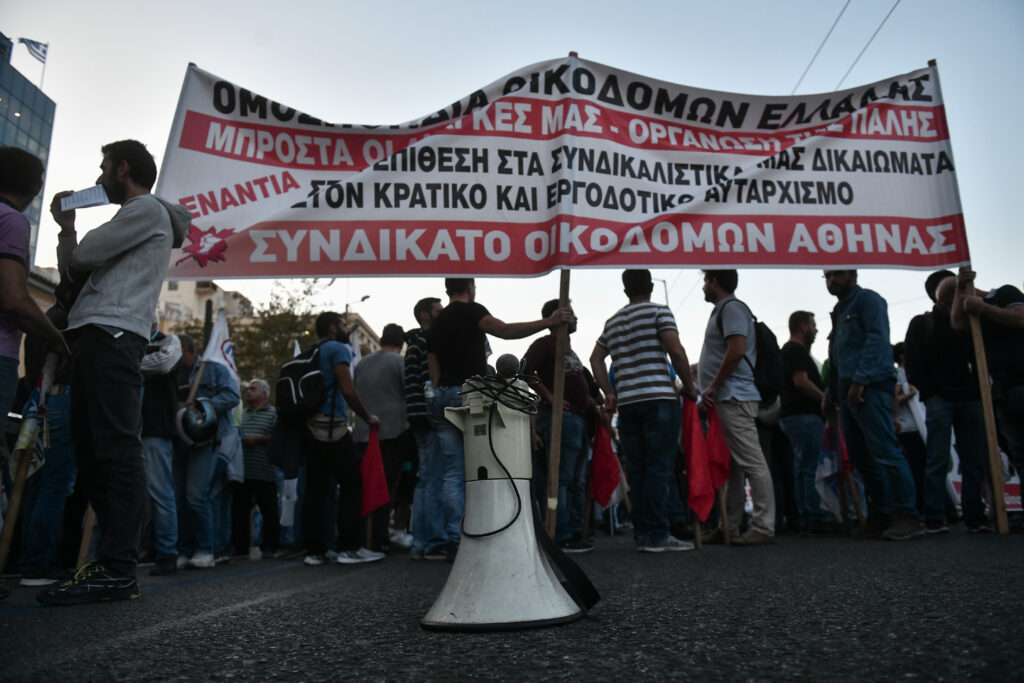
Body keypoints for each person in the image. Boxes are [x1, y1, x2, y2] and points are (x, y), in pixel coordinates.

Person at [39, 140, 190, 605]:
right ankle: (109, 564)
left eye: (104, 168)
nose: (99, 177)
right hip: (94, 336)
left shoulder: (144, 209)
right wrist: (67, 229)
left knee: (115, 450)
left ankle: (119, 566)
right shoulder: (131, 217)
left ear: (123, 167)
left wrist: (78, 235)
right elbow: (70, 275)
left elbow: (85, 258)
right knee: (93, 452)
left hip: (114, 336)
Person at [426, 278, 572, 558]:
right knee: (490, 466)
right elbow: (504, 331)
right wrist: (548, 322)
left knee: (453, 473)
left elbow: (433, 368)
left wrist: (443, 393)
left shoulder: (437, 321)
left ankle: (457, 541)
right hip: (472, 395)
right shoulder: (471, 311)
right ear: (469, 286)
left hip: (442, 396)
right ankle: (492, 532)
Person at [590, 269, 697, 553]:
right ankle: (658, 535)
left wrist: (609, 393)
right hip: (659, 398)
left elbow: (595, 358)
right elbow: (675, 349)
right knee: (659, 469)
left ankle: (644, 534)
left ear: (625, 290)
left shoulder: (612, 322)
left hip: (628, 404)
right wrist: (689, 385)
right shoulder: (660, 313)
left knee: (637, 470)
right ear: (650, 287)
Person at [823, 269, 922, 541]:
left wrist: (861, 380)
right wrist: (831, 392)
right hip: (847, 392)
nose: (832, 281)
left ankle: (908, 515)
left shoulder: (868, 300)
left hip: (870, 387)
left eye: (837, 275)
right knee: (861, 457)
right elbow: (838, 355)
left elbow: (877, 340)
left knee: (886, 451)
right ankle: (881, 515)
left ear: (853, 275)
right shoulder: (839, 309)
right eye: (827, 276)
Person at [906, 275, 990, 533]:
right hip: (940, 402)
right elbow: (913, 363)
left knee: (974, 460)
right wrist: (931, 394)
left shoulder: (972, 321)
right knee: (937, 460)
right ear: (937, 299)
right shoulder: (923, 323)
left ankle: (975, 516)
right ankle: (935, 517)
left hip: (971, 399)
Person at [697, 269, 776, 546]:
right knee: (733, 467)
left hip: (734, 397)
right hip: (728, 397)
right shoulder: (725, 309)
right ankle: (729, 525)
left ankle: (764, 526)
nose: (704, 286)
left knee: (752, 461)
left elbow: (737, 350)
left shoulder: (731, 308)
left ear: (715, 282)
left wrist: (714, 385)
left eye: (706, 281)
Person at [302, 312, 381, 566]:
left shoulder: (311, 352)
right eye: (344, 324)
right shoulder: (338, 349)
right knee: (351, 485)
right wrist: (367, 416)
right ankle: (349, 547)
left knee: (316, 489)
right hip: (333, 427)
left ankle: (315, 550)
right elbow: (347, 390)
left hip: (310, 426)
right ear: (333, 328)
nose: (347, 329)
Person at [526, 299, 603, 553]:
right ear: (556, 316)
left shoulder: (568, 349)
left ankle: (574, 530)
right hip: (560, 418)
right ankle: (562, 535)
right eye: (571, 314)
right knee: (560, 479)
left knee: (573, 480)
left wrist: (595, 406)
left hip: (577, 420)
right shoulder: (545, 344)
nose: (576, 318)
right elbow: (524, 369)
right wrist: (550, 397)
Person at [950, 268, 1024, 528]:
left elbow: (1020, 318)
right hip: (1003, 392)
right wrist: (961, 287)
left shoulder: (1003, 294)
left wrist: (984, 309)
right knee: (1019, 452)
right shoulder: (971, 314)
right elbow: (958, 323)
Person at [180, 339, 240, 569]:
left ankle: (206, 548)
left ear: (185, 348)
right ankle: (184, 549)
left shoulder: (213, 368)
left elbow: (232, 396)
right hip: (179, 440)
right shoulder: (175, 372)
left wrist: (203, 405)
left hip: (206, 441)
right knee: (180, 498)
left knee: (198, 495)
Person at [351, 323, 409, 555]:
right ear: (401, 343)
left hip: (363, 433)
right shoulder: (399, 362)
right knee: (386, 487)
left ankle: (362, 538)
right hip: (392, 433)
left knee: (364, 487)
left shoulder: (362, 364)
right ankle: (379, 538)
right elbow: (408, 391)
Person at [777, 311, 832, 533]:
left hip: (794, 416)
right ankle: (815, 516)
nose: (816, 330)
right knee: (810, 467)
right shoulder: (795, 350)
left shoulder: (789, 351)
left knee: (801, 467)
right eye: (813, 325)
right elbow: (801, 381)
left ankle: (806, 515)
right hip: (804, 416)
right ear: (802, 327)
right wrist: (825, 399)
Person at [405, 297, 447, 560]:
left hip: (419, 417)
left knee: (424, 481)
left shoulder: (414, 344)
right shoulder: (425, 343)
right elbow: (423, 383)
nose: (442, 314)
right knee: (434, 479)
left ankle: (420, 542)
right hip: (429, 418)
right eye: (438, 310)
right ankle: (435, 541)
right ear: (425, 315)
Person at [140, 322, 184, 575]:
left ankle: (167, 554)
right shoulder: (127, 341)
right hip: (127, 428)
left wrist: (127, 364)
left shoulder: (169, 341)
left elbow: (163, 363)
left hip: (155, 428)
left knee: (160, 494)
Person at [232, 379, 282, 558]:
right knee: (239, 511)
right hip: (242, 471)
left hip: (264, 471)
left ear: (264, 394)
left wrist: (257, 440)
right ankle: (240, 548)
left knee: (269, 511)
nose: (248, 391)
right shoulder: (241, 414)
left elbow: (277, 437)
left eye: (253, 388)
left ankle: (270, 547)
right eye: (248, 388)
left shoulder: (273, 414)